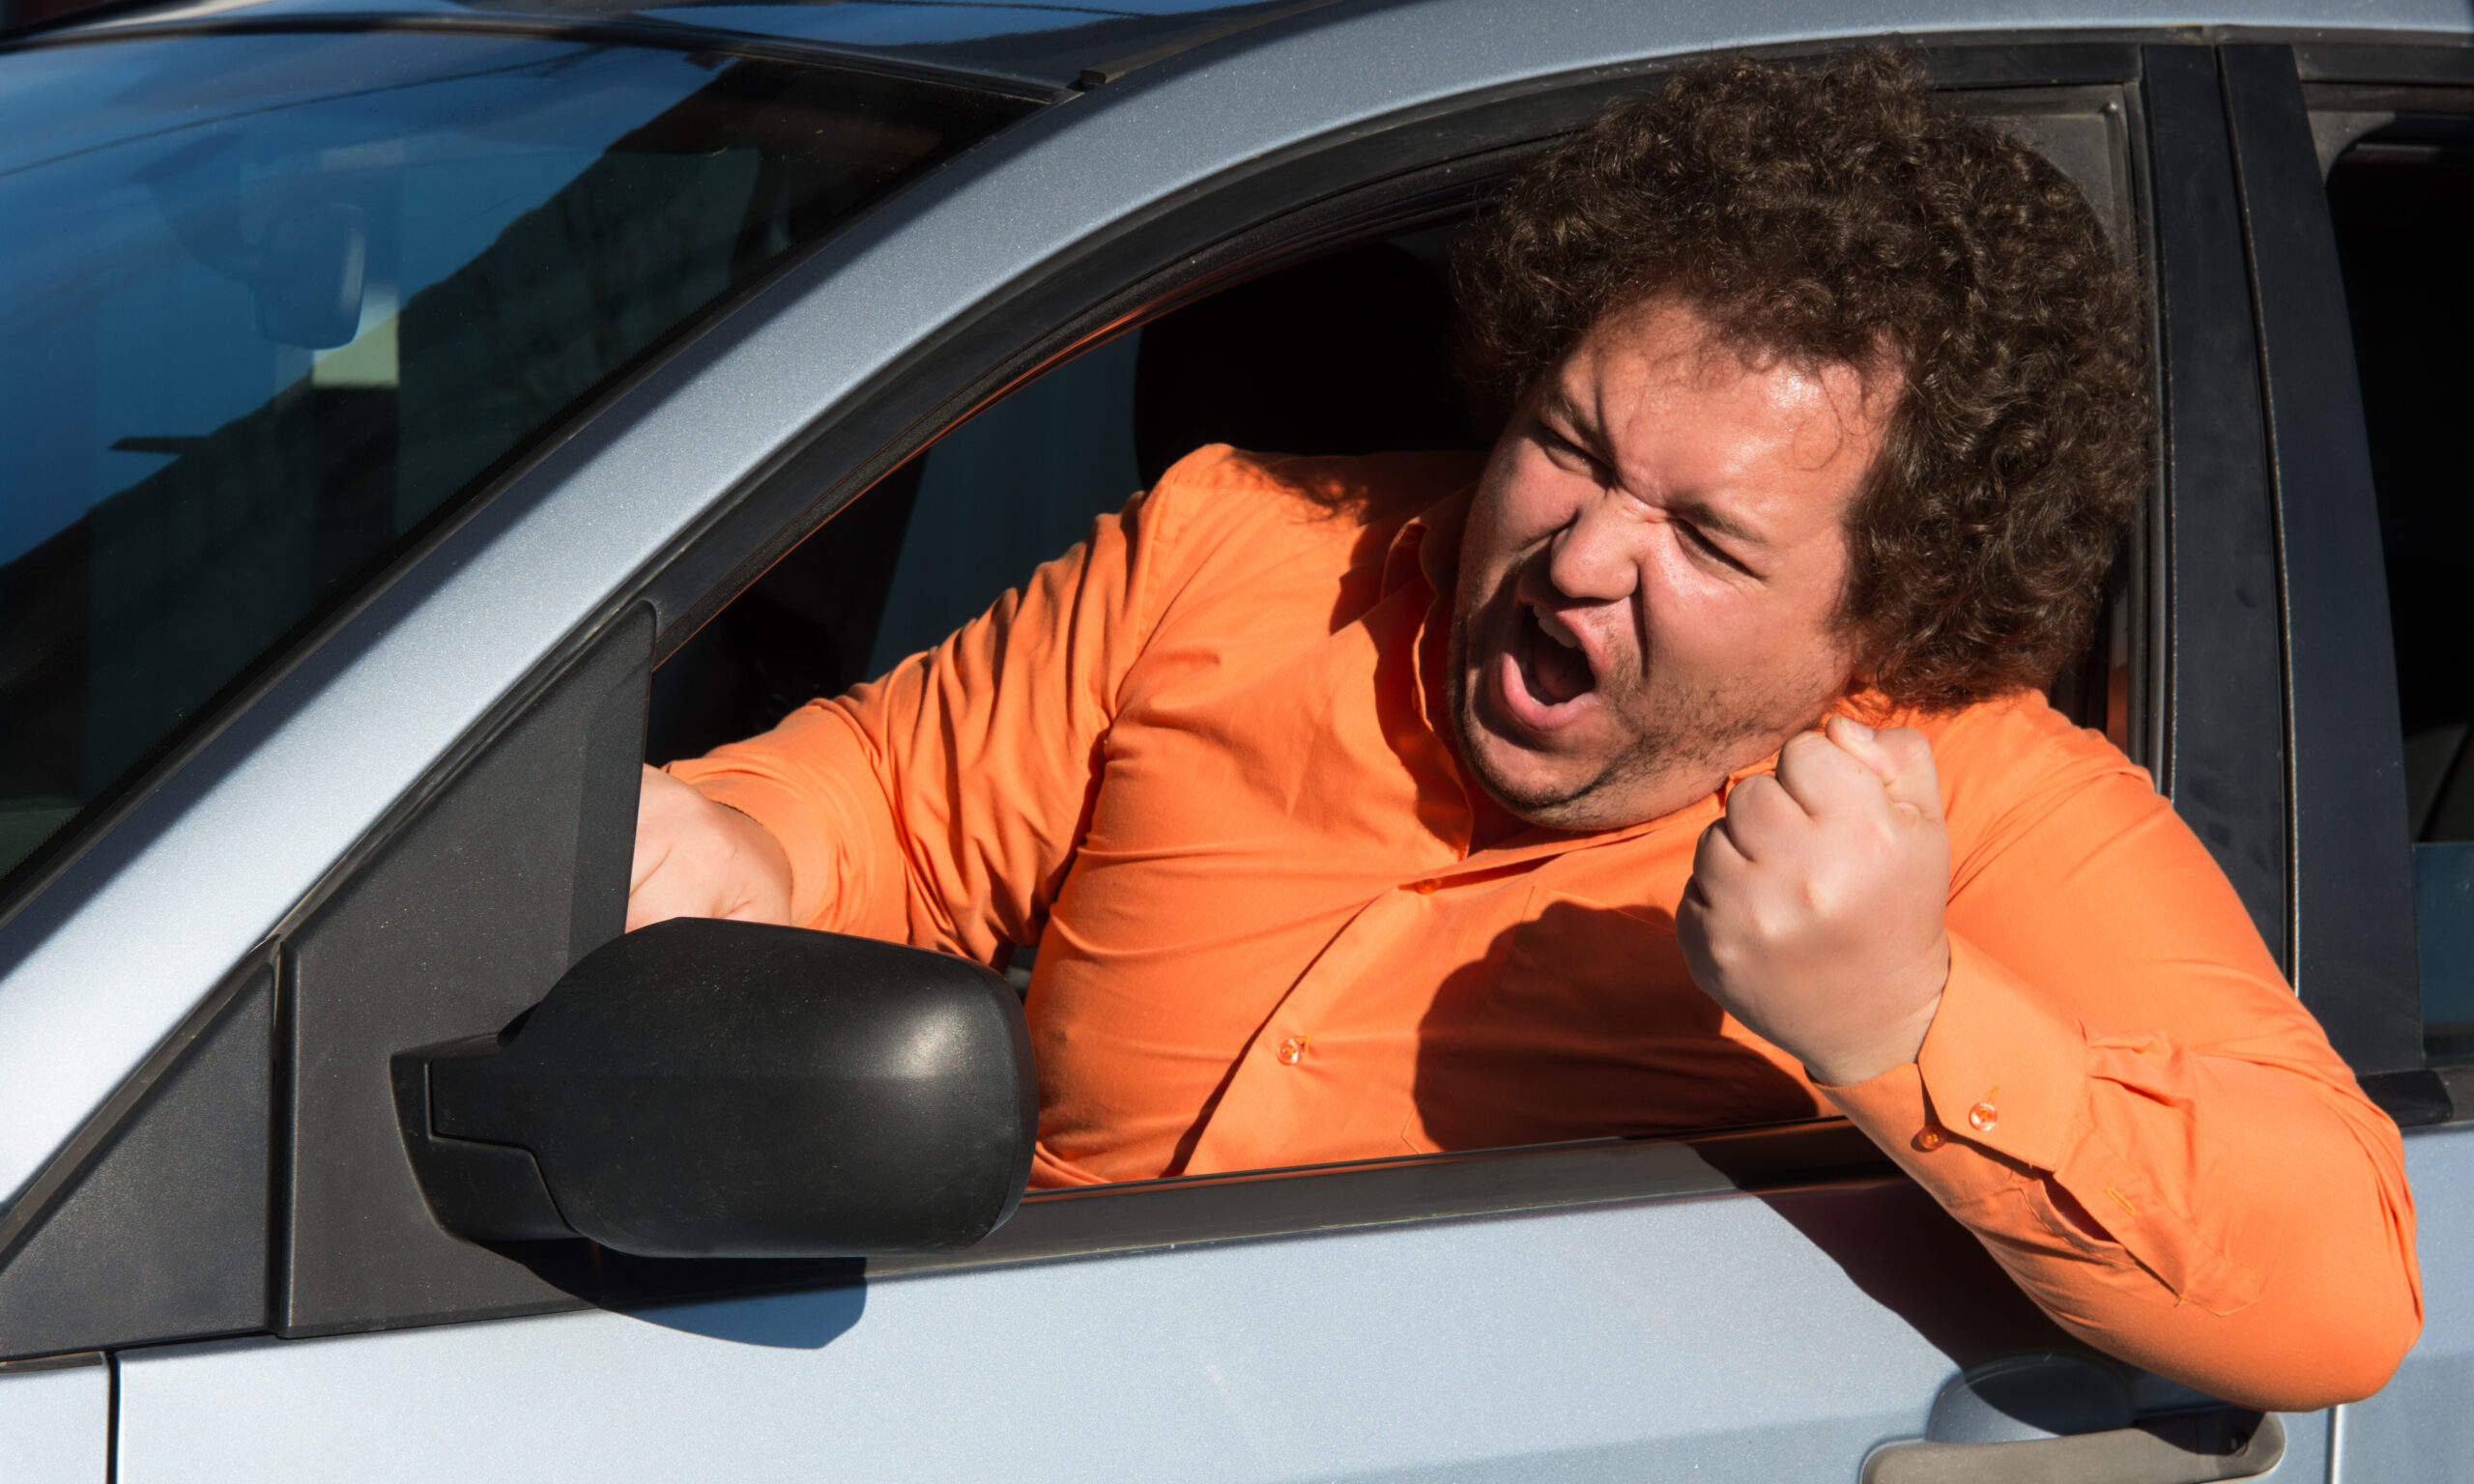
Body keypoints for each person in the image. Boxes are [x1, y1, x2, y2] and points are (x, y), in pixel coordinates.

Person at [624, 53, 2420, 1408]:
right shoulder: (1251, 547)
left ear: (1894, 600)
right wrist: (731, 844)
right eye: (1568, 443)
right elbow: (886, 811)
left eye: (1706, 538)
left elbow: (2338, 1294)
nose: (1579, 556)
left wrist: (1909, 1022)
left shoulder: (1996, 808)